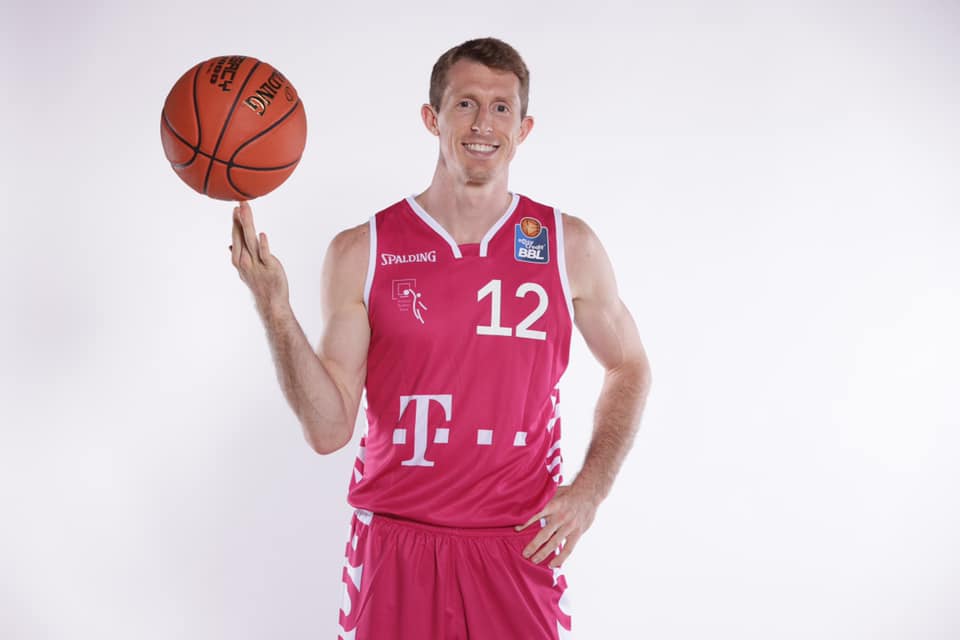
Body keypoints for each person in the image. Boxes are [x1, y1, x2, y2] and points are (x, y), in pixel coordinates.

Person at [229, 37, 651, 640]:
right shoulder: (362, 250)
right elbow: (328, 429)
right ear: (432, 118)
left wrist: (591, 489)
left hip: (517, 545)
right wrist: (274, 308)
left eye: (501, 108)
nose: (483, 124)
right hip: (394, 543)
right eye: (465, 104)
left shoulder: (569, 245)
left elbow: (629, 365)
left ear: (524, 128)